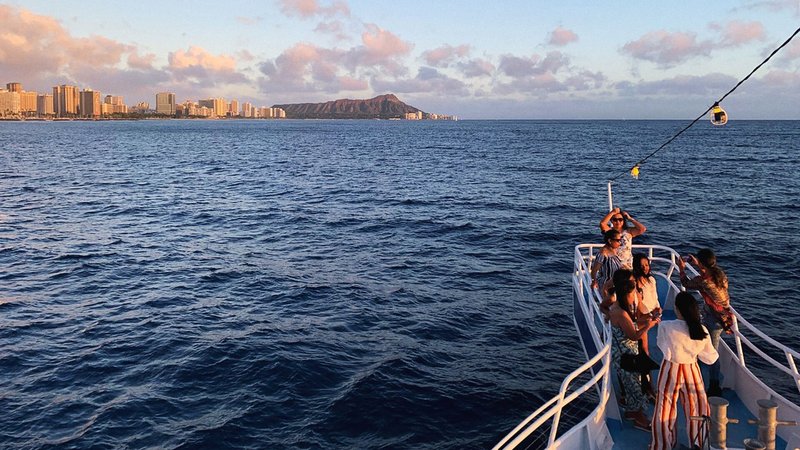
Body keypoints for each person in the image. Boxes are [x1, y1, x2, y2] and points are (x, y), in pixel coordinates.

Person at [650, 292, 719, 450]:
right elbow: (710, 358)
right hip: (691, 370)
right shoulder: (701, 330)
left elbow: (664, 349)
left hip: (670, 369)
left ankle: (662, 446)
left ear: (677, 309)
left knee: (664, 409)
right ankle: (699, 444)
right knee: (698, 408)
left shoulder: (666, 327)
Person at [609, 273, 660, 431]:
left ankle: (633, 413)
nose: (635, 297)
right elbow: (633, 335)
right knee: (635, 386)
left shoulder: (619, 309)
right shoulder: (621, 313)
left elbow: (631, 324)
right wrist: (650, 325)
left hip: (627, 354)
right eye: (632, 294)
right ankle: (638, 417)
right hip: (626, 356)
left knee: (633, 385)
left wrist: (647, 318)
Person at [676, 248, 730, 396]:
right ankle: (700, 373)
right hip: (719, 315)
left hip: (714, 318)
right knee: (704, 344)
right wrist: (697, 265)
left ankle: (714, 387)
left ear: (702, 265)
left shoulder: (704, 282)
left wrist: (682, 269)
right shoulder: (720, 274)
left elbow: (686, 283)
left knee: (712, 352)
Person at [591, 229, 624, 295]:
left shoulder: (614, 250)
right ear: (610, 241)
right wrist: (594, 281)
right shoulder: (603, 253)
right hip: (606, 285)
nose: (620, 243)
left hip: (615, 283)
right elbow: (594, 270)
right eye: (618, 240)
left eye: (620, 240)